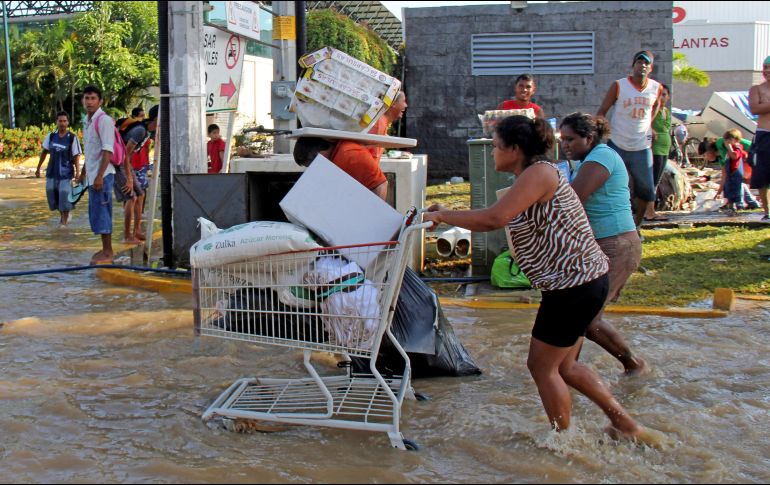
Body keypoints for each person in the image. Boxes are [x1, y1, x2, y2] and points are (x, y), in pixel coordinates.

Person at [423, 115, 645, 439]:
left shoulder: (538, 173)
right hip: (581, 282)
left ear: (515, 149)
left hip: (574, 285)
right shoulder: (534, 175)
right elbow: (494, 213)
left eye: (497, 147)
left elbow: (494, 218)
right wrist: (445, 211)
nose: (492, 153)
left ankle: (563, 440)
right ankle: (625, 425)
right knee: (565, 367)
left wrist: (442, 216)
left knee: (542, 367)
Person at [560, 112, 649, 376]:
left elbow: (572, 199)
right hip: (602, 246)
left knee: (586, 318)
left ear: (589, 137)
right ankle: (566, 369)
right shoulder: (587, 159)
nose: (565, 145)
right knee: (580, 314)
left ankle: (634, 365)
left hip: (618, 246)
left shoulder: (602, 156)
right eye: (562, 139)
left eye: (570, 139)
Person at [597, 50, 663, 228]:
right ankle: (612, 225)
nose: (642, 66)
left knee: (647, 190)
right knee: (612, 187)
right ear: (632, 65)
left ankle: (637, 226)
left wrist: (649, 124)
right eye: (639, 62)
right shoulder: (619, 85)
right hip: (618, 143)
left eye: (646, 63)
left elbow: (656, 105)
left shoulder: (656, 88)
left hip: (641, 146)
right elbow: (602, 110)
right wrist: (603, 125)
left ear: (650, 68)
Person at [77, 85, 115, 264]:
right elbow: (90, 151)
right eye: (87, 98)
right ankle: (105, 249)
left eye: (93, 98)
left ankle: (108, 251)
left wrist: (99, 176)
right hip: (92, 175)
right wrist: (83, 173)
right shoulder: (87, 121)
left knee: (103, 211)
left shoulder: (104, 120)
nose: (89, 101)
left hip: (103, 175)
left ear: (100, 101)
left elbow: (108, 151)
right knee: (97, 213)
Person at [293, 137, 388, 200]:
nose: (314, 169)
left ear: (319, 154)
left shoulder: (349, 154)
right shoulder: (336, 157)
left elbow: (380, 184)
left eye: (312, 165)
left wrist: (372, 215)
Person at [35, 111, 82, 226]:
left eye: (64, 121)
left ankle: (63, 222)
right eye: (60, 121)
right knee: (53, 197)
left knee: (64, 196)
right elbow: (44, 152)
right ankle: (63, 216)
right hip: (51, 173)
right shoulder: (51, 136)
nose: (62, 123)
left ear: (68, 122)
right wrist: (38, 168)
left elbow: (76, 155)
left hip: (66, 174)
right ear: (56, 122)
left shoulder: (72, 137)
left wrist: (77, 173)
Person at [119, 105, 159, 242]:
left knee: (141, 194)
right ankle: (127, 236)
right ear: (156, 119)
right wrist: (129, 177)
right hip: (120, 163)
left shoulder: (149, 130)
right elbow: (125, 153)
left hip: (126, 164)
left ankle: (136, 231)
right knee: (131, 197)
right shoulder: (140, 131)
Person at [698, 137, 759, 210]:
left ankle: (740, 204)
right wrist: (719, 192)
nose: (705, 158)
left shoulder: (720, 143)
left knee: (736, 179)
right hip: (746, 160)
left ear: (709, 150)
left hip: (756, 152)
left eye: (704, 155)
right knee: (736, 180)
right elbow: (724, 176)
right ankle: (752, 203)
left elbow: (730, 140)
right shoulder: (721, 158)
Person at [748, 56, 770, 221]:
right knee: (762, 174)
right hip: (764, 134)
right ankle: (767, 210)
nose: (767, 71)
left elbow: (762, 107)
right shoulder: (757, 89)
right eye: (765, 67)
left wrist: (766, 105)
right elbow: (755, 108)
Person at [646, 84, 672, 221]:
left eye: (665, 95)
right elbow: (645, 122)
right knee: (652, 178)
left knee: (658, 179)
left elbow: (667, 127)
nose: (662, 97)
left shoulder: (666, 111)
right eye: (660, 94)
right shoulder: (652, 109)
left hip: (665, 146)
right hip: (654, 146)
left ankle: (652, 209)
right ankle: (649, 211)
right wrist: (650, 129)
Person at [716, 130, 750, 217]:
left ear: (736, 140)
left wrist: (729, 147)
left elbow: (734, 156)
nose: (727, 141)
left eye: (729, 139)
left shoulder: (738, 147)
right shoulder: (728, 148)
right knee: (728, 189)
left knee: (735, 189)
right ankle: (730, 206)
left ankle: (737, 206)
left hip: (735, 172)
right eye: (725, 139)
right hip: (730, 172)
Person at [367, 91, 408, 161]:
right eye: (403, 101)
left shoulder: (381, 121)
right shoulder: (379, 123)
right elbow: (371, 156)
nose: (405, 105)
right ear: (393, 103)